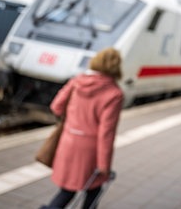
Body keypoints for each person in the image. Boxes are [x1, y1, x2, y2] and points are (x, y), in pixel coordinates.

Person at [43, 47, 124, 209]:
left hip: (68, 141)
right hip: (90, 151)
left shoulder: (77, 81)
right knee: (91, 190)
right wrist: (104, 166)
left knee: (68, 188)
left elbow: (56, 107)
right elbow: (106, 134)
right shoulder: (114, 93)